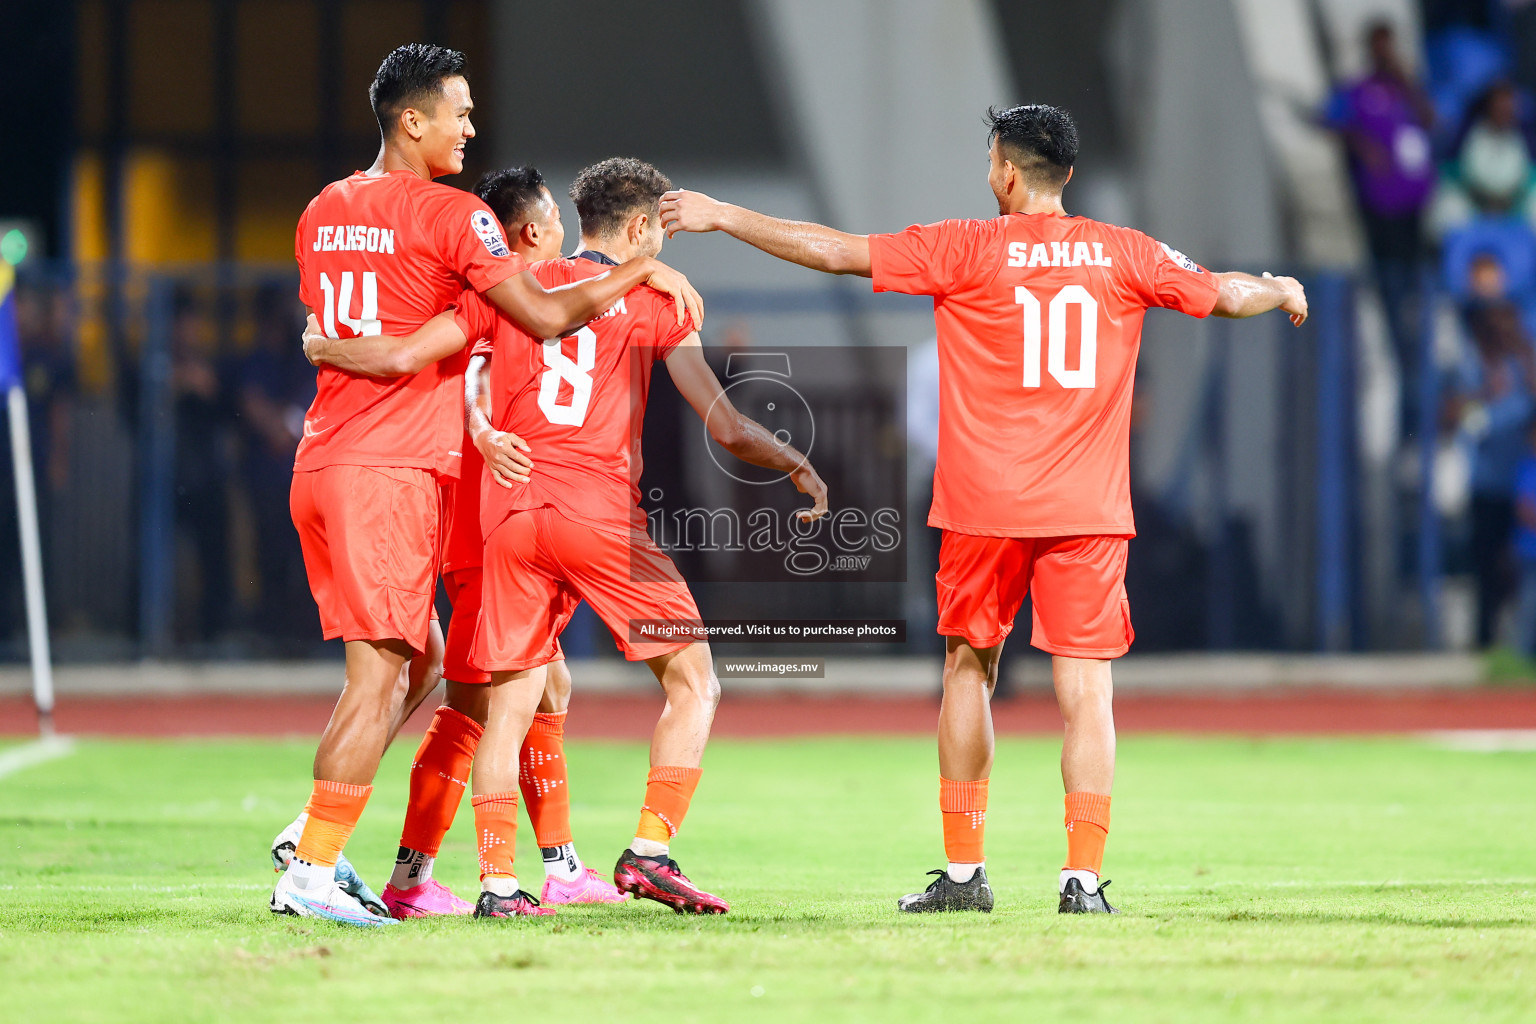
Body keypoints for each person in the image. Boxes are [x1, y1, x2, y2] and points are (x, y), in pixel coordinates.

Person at [658, 103, 1307, 914]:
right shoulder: (1125, 253)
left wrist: (725, 215)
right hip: (1088, 511)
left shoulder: (964, 246)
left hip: (982, 507)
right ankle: (1081, 879)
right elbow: (1224, 294)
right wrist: (1278, 286)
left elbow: (836, 252)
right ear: (1066, 174)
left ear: (1004, 171)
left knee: (969, 670)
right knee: (1087, 690)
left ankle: (965, 874)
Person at [314, 157, 828, 917]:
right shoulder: (655, 301)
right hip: (598, 517)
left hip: (509, 519)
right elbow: (725, 424)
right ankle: (649, 851)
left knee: (511, 703)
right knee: (695, 683)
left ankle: (500, 882)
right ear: (642, 229)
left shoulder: (511, 293)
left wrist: (327, 348)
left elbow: (440, 367)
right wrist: (796, 462)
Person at [271, 42, 703, 928]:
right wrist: (639, 264)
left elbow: (383, 340)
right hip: (390, 470)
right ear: (411, 119)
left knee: (426, 663)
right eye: (458, 113)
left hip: (324, 459)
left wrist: (322, 350)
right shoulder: (455, 218)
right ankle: (311, 867)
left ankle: (327, 834)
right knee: (387, 672)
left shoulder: (323, 209)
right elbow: (539, 317)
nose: (472, 126)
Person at [1324, 20, 1436, 426]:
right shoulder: (1356, 92)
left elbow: (1431, 119)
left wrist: (1405, 80)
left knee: (1414, 280)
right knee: (1390, 280)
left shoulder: (1406, 91)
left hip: (1413, 208)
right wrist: (1361, 146)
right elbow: (1330, 119)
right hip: (1379, 207)